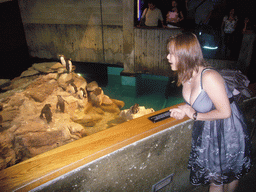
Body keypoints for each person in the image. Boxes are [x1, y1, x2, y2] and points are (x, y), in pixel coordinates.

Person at [167, 33, 252, 192]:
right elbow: (195, 102)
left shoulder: (209, 77)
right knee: (216, 179)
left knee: (230, 174)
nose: (167, 57)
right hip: (207, 131)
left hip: (228, 130)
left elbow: (225, 112)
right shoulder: (185, 74)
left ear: (185, 55)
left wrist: (194, 115)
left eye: (172, 53)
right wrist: (183, 110)